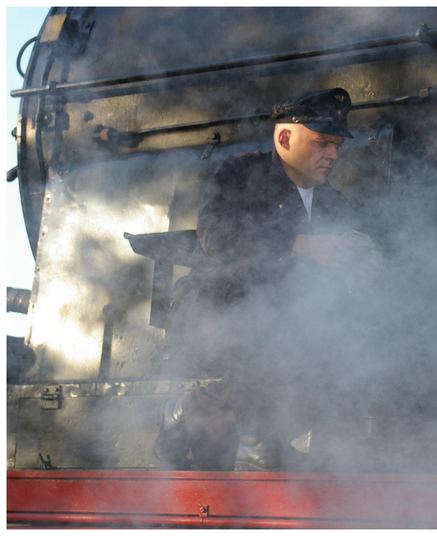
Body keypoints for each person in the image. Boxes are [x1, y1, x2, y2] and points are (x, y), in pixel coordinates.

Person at [157, 88, 382, 471]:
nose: (333, 154)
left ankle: (277, 452)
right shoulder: (238, 174)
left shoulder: (335, 203)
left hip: (289, 327)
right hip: (219, 313)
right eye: (322, 143)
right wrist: (300, 245)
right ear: (284, 138)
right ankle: (196, 416)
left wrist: (364, 266)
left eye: (337, 145)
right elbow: (216, 237)